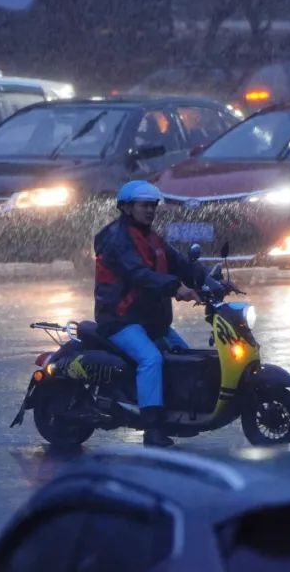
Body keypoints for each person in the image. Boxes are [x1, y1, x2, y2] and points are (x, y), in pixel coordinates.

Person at [93, 180, 203, 447]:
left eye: (153, 205)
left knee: (185, 357)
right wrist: (177, 288)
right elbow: (139, 275)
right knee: (151, 359)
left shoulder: (152, 238)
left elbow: (180, 264)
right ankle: (152, 428)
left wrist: (212, 282)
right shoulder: (116, 239)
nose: (151, 210)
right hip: (121, 320)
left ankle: (175, 414)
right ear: (127, 207)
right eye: (144, 205)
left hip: (151, 321)